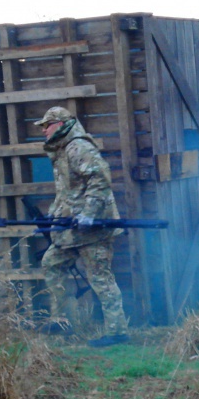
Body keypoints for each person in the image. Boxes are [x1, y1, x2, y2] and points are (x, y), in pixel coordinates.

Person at [34, 106, 130, 348]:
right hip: (71, 230)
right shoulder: (62, 150)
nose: (44, 130)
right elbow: (67, 192)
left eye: (48, 124)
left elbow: (100, 180)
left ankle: (117, 332)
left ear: (62, 123)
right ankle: (65, 322)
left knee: (101, 279)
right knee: (51, 265)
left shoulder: (78, 147)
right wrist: (53, 216)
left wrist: (89, 214)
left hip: (94, 229)